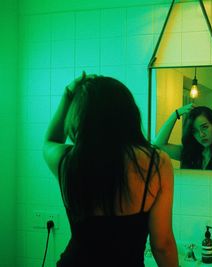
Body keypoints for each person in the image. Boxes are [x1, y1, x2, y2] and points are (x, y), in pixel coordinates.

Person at [43, 72, 178, 267]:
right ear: (129, 113)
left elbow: (50, 141)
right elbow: (162, 244)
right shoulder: (157, 163)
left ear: (80, 118)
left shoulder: (67, 161)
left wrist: (68, 95)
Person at [154, 104, 212, 170]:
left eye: (205, 127)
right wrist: (176, 114)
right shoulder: (189, 153)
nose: (201, 134)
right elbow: (158, 146)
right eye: (195, 131)